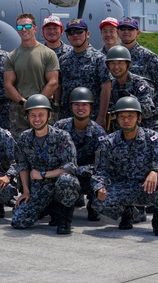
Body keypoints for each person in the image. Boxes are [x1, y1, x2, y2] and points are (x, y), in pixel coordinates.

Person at [92, 96, 158, 237]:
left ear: (139, 118)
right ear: (117, 119)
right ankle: (128, 212)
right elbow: (101, 170)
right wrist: (99, 186)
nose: (126, 120)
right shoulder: (109, 142)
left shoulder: (152, 138)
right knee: (99, 202)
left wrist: (155, 171)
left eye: (131, 116)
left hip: (147, 187)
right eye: (122, 117)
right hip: (123, 187)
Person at [11, 95, 80, 235]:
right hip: (39, 188)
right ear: (28, 117)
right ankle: (51, 209)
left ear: (49, 115)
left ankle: (64, 220)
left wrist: (43, 175)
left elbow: (71, 166)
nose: (37, 119)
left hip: (59, 183)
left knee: (67, 181)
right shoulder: (25, 138)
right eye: (33, 115)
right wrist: (26, 191)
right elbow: (22, 165)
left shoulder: (61, 136)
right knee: (18, 221)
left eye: (41, 115)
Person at [53, 87, 107, 222]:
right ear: (71, 107)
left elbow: (101, 164)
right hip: (63, 175)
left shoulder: (98, 133)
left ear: (91, 107)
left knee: (101, 178)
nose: (80, 108)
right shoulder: (60, 127)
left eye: (84, 105)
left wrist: (75, 170)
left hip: (88, 177)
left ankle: (94, 205)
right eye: (76, 104)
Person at [4, 13, 59, 137]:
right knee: (20, 148)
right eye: (20, 27)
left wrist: (36, 103)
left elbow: (53, 82)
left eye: (27, 26)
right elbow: (8, 85)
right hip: (19, 109)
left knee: (45, 144)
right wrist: (23, 102)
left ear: (35, 28)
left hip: (43, 107)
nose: (24, 30)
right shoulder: (11, 56)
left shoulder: (48, 54)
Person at [57, 19, 112, 128]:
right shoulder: (63, 59)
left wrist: (101, 116)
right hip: (67, 117)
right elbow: (59, 86)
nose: (75, 35)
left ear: (87, 34)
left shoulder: (99, 59)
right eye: (71, 32)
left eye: (79, 31)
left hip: (92, 117)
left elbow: (106, 87)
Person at [105, 46, 158, 137]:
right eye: (112, 63)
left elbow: (147, 111)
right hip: (128, 126)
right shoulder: (113, 85)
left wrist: (131, 100)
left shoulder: (140, 84)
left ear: (128, 65)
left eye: (120, 63)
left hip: (150, 126)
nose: (116, 67)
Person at [118, 16, 158, 93]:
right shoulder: (114, 55)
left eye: (130, 29)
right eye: (122, 28)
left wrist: (145, 93)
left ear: (138, 33)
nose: (126, 31)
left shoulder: (149, 56)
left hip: (143, 103)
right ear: (117, 32)